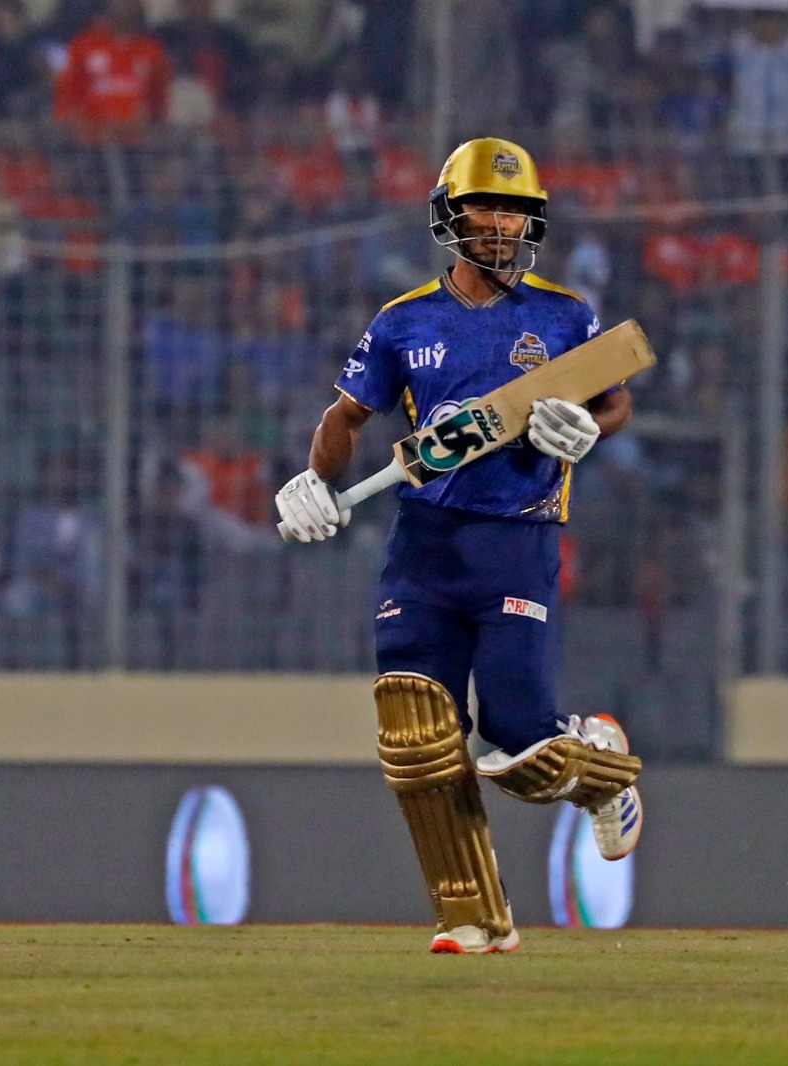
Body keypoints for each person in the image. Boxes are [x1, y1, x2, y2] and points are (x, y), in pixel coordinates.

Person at [273, 137, 643, 954]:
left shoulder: (565, 315)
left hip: (519, 536)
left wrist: (591, 427)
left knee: (518, 737)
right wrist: (316, 483)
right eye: (487, 206)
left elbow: (614, 398)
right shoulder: (403, 321)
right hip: (426, 544)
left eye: (516, 210)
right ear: (451, 215)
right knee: (418, 731)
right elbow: (346, 417)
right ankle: (472, 914)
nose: (502, 223)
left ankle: (602, 768)